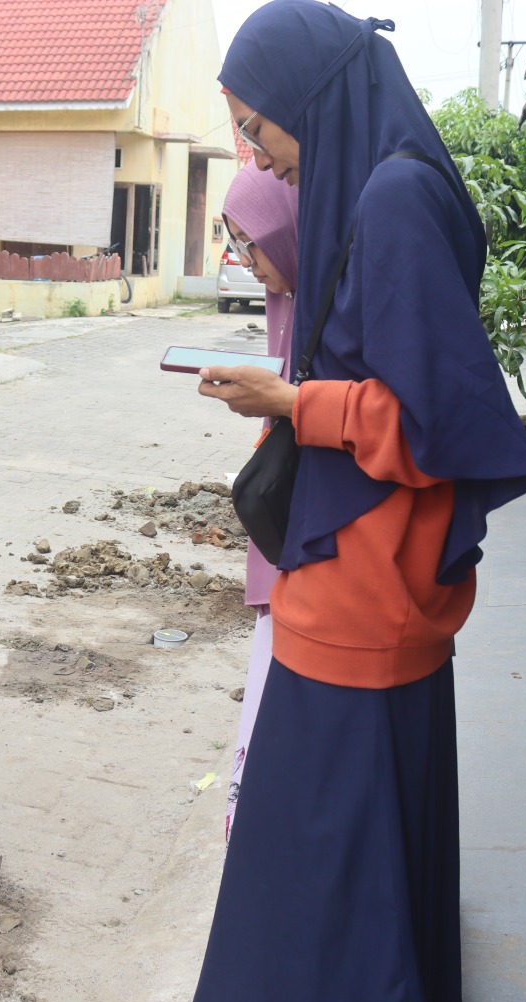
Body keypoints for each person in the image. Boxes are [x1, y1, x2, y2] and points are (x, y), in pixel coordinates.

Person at [178, 5, 526, 1002]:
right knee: (357, 833)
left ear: (313, 100)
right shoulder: (389, 178)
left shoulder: (390, 198)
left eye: (259, 127)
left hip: (363, 582)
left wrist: (292, 404)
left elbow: (438, 425)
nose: (256, 156)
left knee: (319, 844)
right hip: (381, 577)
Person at [218, 162, 298, 842]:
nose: (247, 263)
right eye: (234, 245)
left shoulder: (334, 307)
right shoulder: (291, 304)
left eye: (253, 243)